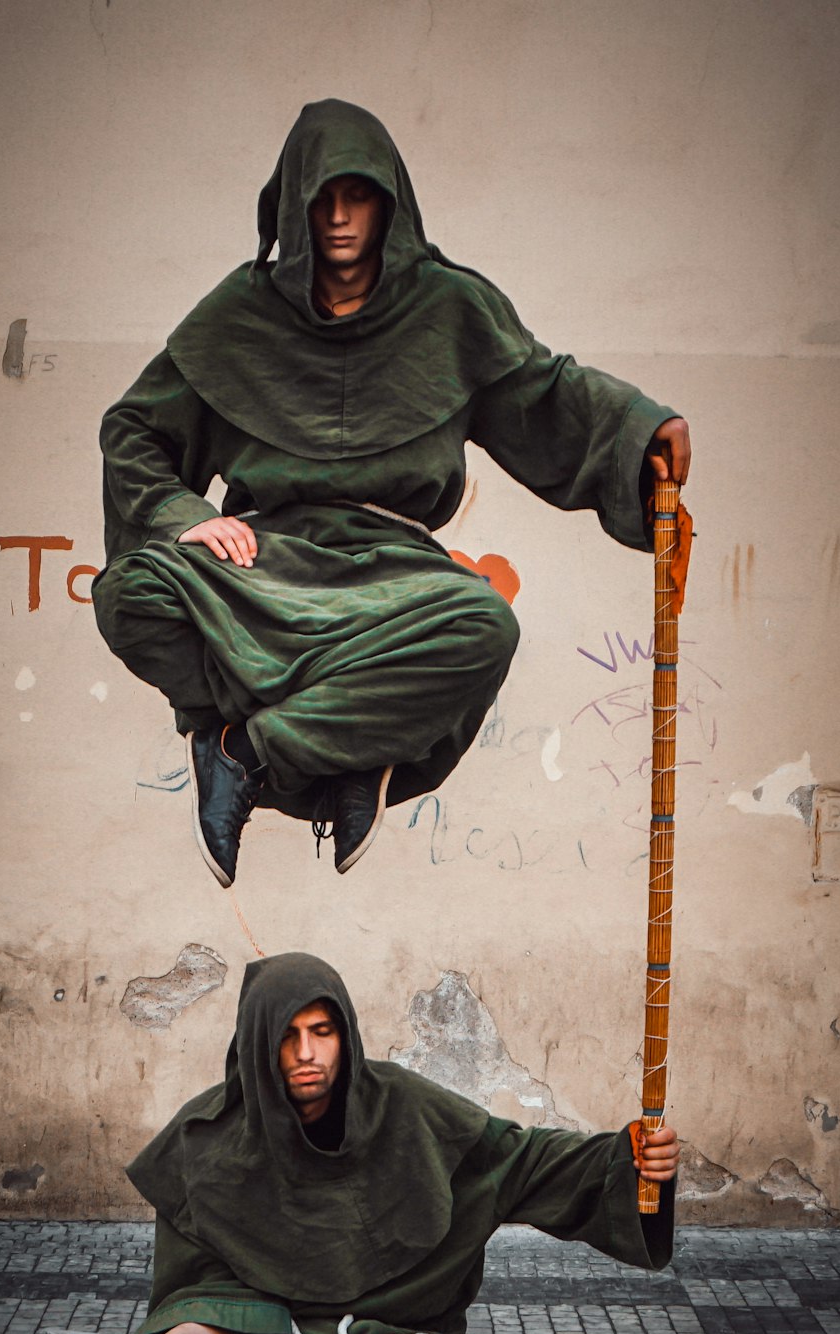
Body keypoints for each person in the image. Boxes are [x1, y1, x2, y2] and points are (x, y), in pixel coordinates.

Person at [92, 99, 691, 887]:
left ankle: (248, 750)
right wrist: (186, 517)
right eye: (321, 199)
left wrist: (644, 431)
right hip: (262, 573)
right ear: (294, 206)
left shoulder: (451, 308)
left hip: (392, 579)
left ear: (391, 202)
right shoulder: (236, 316)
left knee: (484, 625)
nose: (339, 217)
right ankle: (348, 733)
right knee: (130, 593)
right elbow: (135, 430)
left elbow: (546, 396)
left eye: (359, 195)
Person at [97, 952, 679, 1334]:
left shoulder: (407, 1109)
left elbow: (521, 1160)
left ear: (344, 1035)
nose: (306, 1052)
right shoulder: (204, 1143)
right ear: (257, 1046)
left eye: (321, 1032)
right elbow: (207, 1297)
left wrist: (625, 1162)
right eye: (287, 1036)